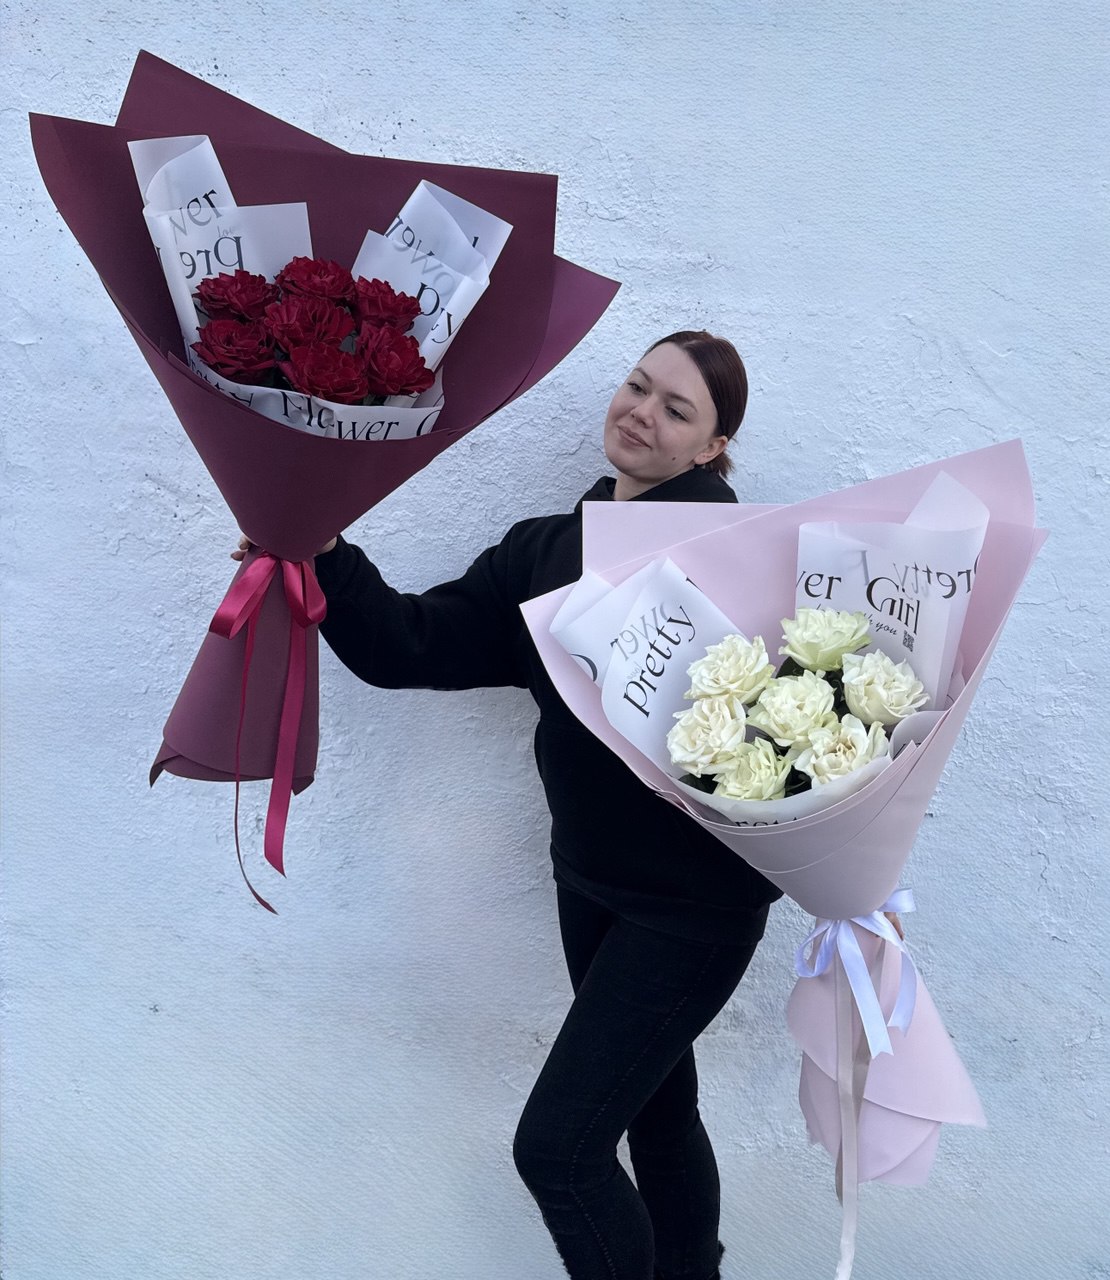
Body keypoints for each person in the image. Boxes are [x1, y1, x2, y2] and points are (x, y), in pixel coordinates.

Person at [236, 331, 781, 1280]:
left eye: (677, 409)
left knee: (558, 1152)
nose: (642, 413)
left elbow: (806, 730)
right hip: (592, 885)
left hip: (695, 911)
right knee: (658, 1111)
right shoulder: (547, 551)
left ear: (712, 447)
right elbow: (413, 644)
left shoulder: (743, 562)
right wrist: (324, 553)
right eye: (637, 386)